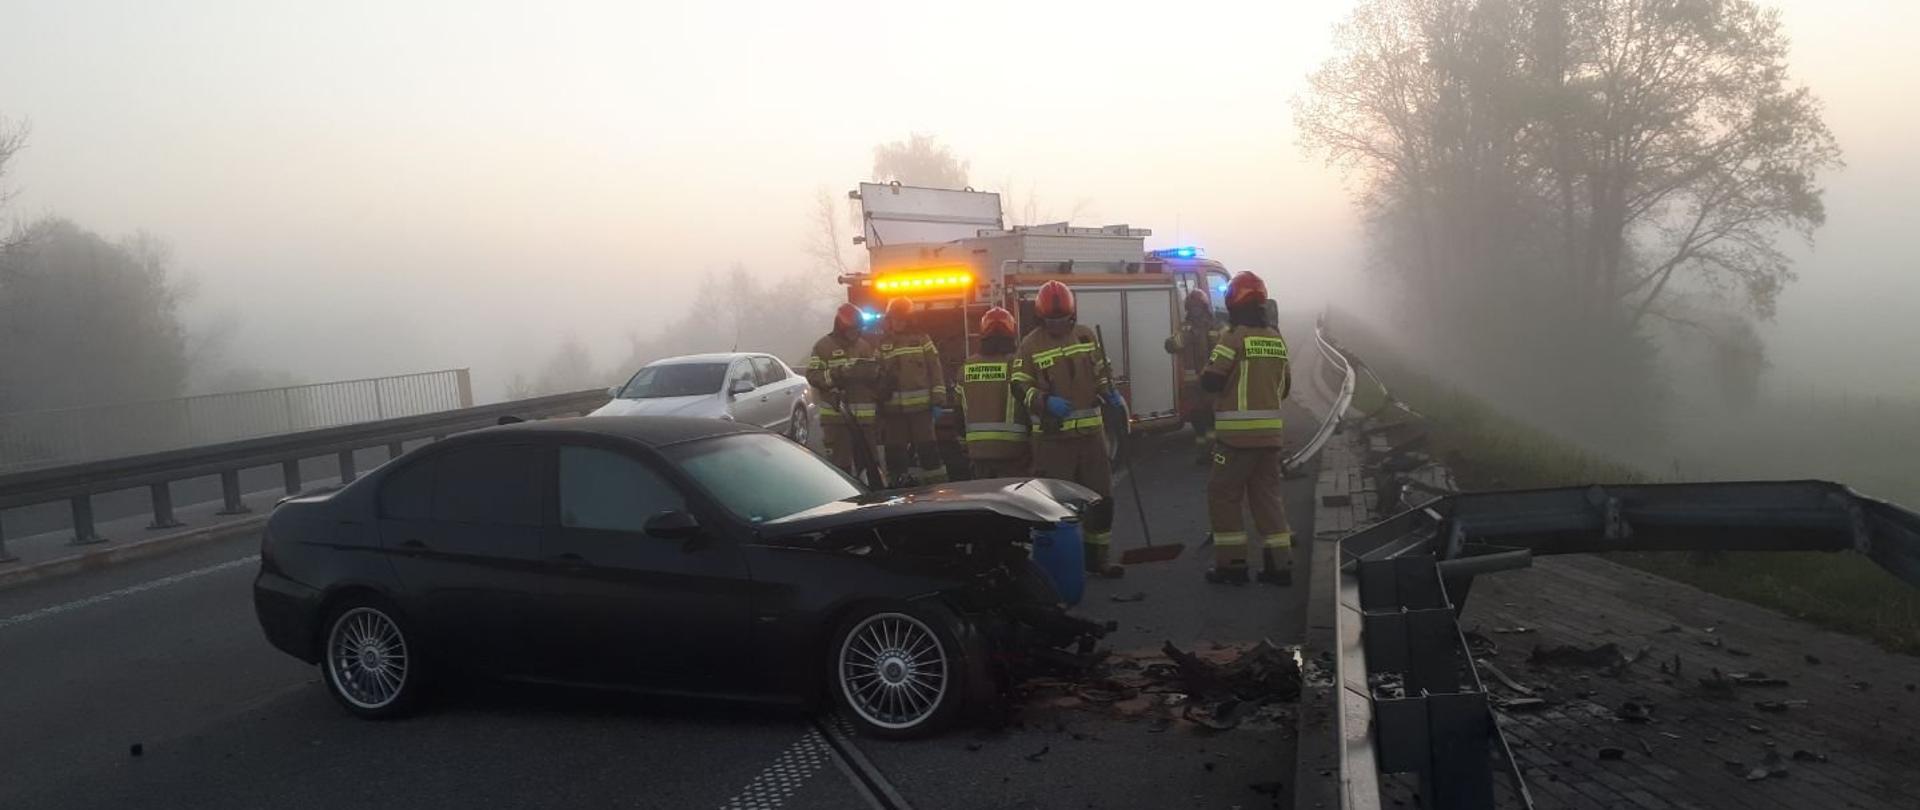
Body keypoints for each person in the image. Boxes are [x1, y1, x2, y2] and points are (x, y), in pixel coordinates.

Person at [1011, 280, 1124, 578]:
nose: (1057, 325)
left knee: (1101, 500)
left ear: (1072, 316)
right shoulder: (1030, 344)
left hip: (1091, 439)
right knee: (1055, 506)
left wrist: (1109, 391)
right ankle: (1058, 566)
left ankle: (1097, 559)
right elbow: (1019, 386)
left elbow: (1101, 371)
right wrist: (1045, 401)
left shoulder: (1086, 335)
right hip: (1052, 440)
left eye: (1062, 320)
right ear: (1040, 317)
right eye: (1051, 320)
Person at [1201, 271, 1293, 585]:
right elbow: (1285, 388)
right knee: (1268, 499)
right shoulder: (1276, 338)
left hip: (1236, 440)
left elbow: (1211, 380)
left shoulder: (1233, 336)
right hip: (1270, 438)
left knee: (1223, 495)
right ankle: (1279, 566)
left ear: (1233, 303)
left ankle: (1232, 565)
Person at [875, 297, 949, 485]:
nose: (897, 323)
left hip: (921, 411)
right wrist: (880, 391)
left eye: (901, 319)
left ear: (909, 319)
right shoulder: (882, 344)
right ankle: (897, 488)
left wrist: (938, 399)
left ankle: (938, 489)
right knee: (895, 453)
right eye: (894, 319)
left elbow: (935, 368)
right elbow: (875, 372)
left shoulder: (922, 339)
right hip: (893, 412)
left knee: (928, 452)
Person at [805, 303, 881, 478]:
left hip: (864, 421)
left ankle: (874, 499)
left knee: (870, 466)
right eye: (853, 329)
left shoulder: (864, 346)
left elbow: (876, 373)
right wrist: (838, 374)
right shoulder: (823, 347)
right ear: (841, 326)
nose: (856, 333)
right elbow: (813, 375)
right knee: (840, 468)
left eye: (858, 329)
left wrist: (877, 376)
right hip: (837, 419)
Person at [956, 306, 1030, 478]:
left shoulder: (967, 367)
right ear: (1012, 332)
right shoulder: (1017, 364)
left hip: (978, 451)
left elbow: (958, 413)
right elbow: (1030, 404)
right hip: (1014, 452)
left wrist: (965, 444)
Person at [1164, 288, 1222, 465]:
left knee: (1212, 419)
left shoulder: (1215, 326)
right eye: (1193, 307)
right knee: (1198, 420)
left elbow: (1224, 349)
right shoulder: (1185, 328)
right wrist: (1184, 337)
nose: (1195, 311)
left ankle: (1214, 451)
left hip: (1211, 380)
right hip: (1193, 384)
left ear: (1204, 307)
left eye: (1198, 307)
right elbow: (1170, 345)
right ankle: (1204, 452)